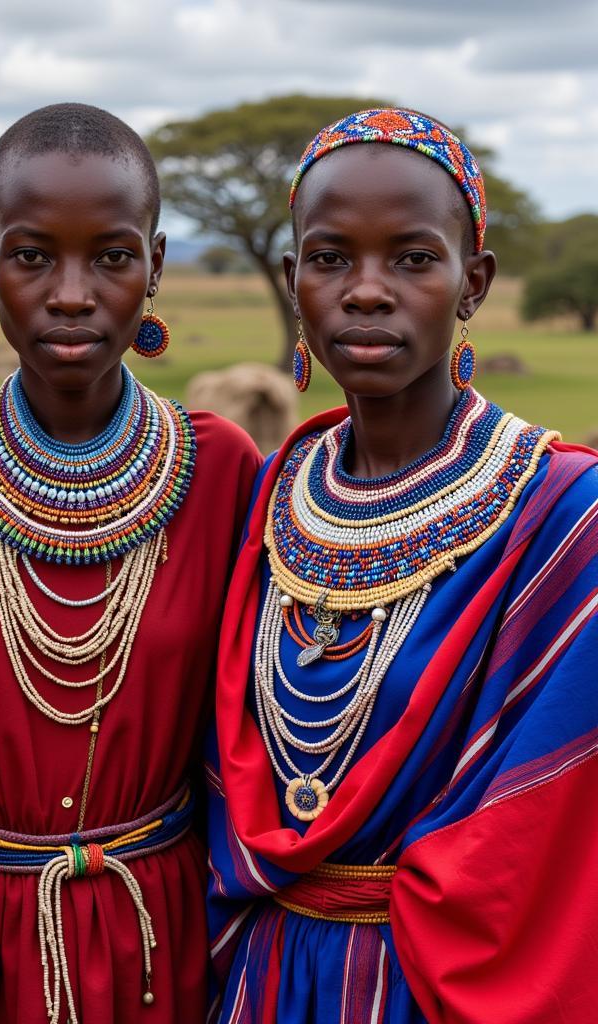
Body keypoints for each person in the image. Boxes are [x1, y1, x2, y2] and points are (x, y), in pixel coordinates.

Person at [207, 108, 598, 1024]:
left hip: (437, 987)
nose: (367, 291)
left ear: (475, 282)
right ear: (294, 277)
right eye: (330, 257)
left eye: (414, 260)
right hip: (266, 978)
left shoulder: (562, 516)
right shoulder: (270, 497)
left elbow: (552, 828)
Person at [0, 103, 260, 1024]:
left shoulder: (223, 471)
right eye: (33, 254)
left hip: (157, 937)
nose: (73, 293)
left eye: (113, 257)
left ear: (156, 267)